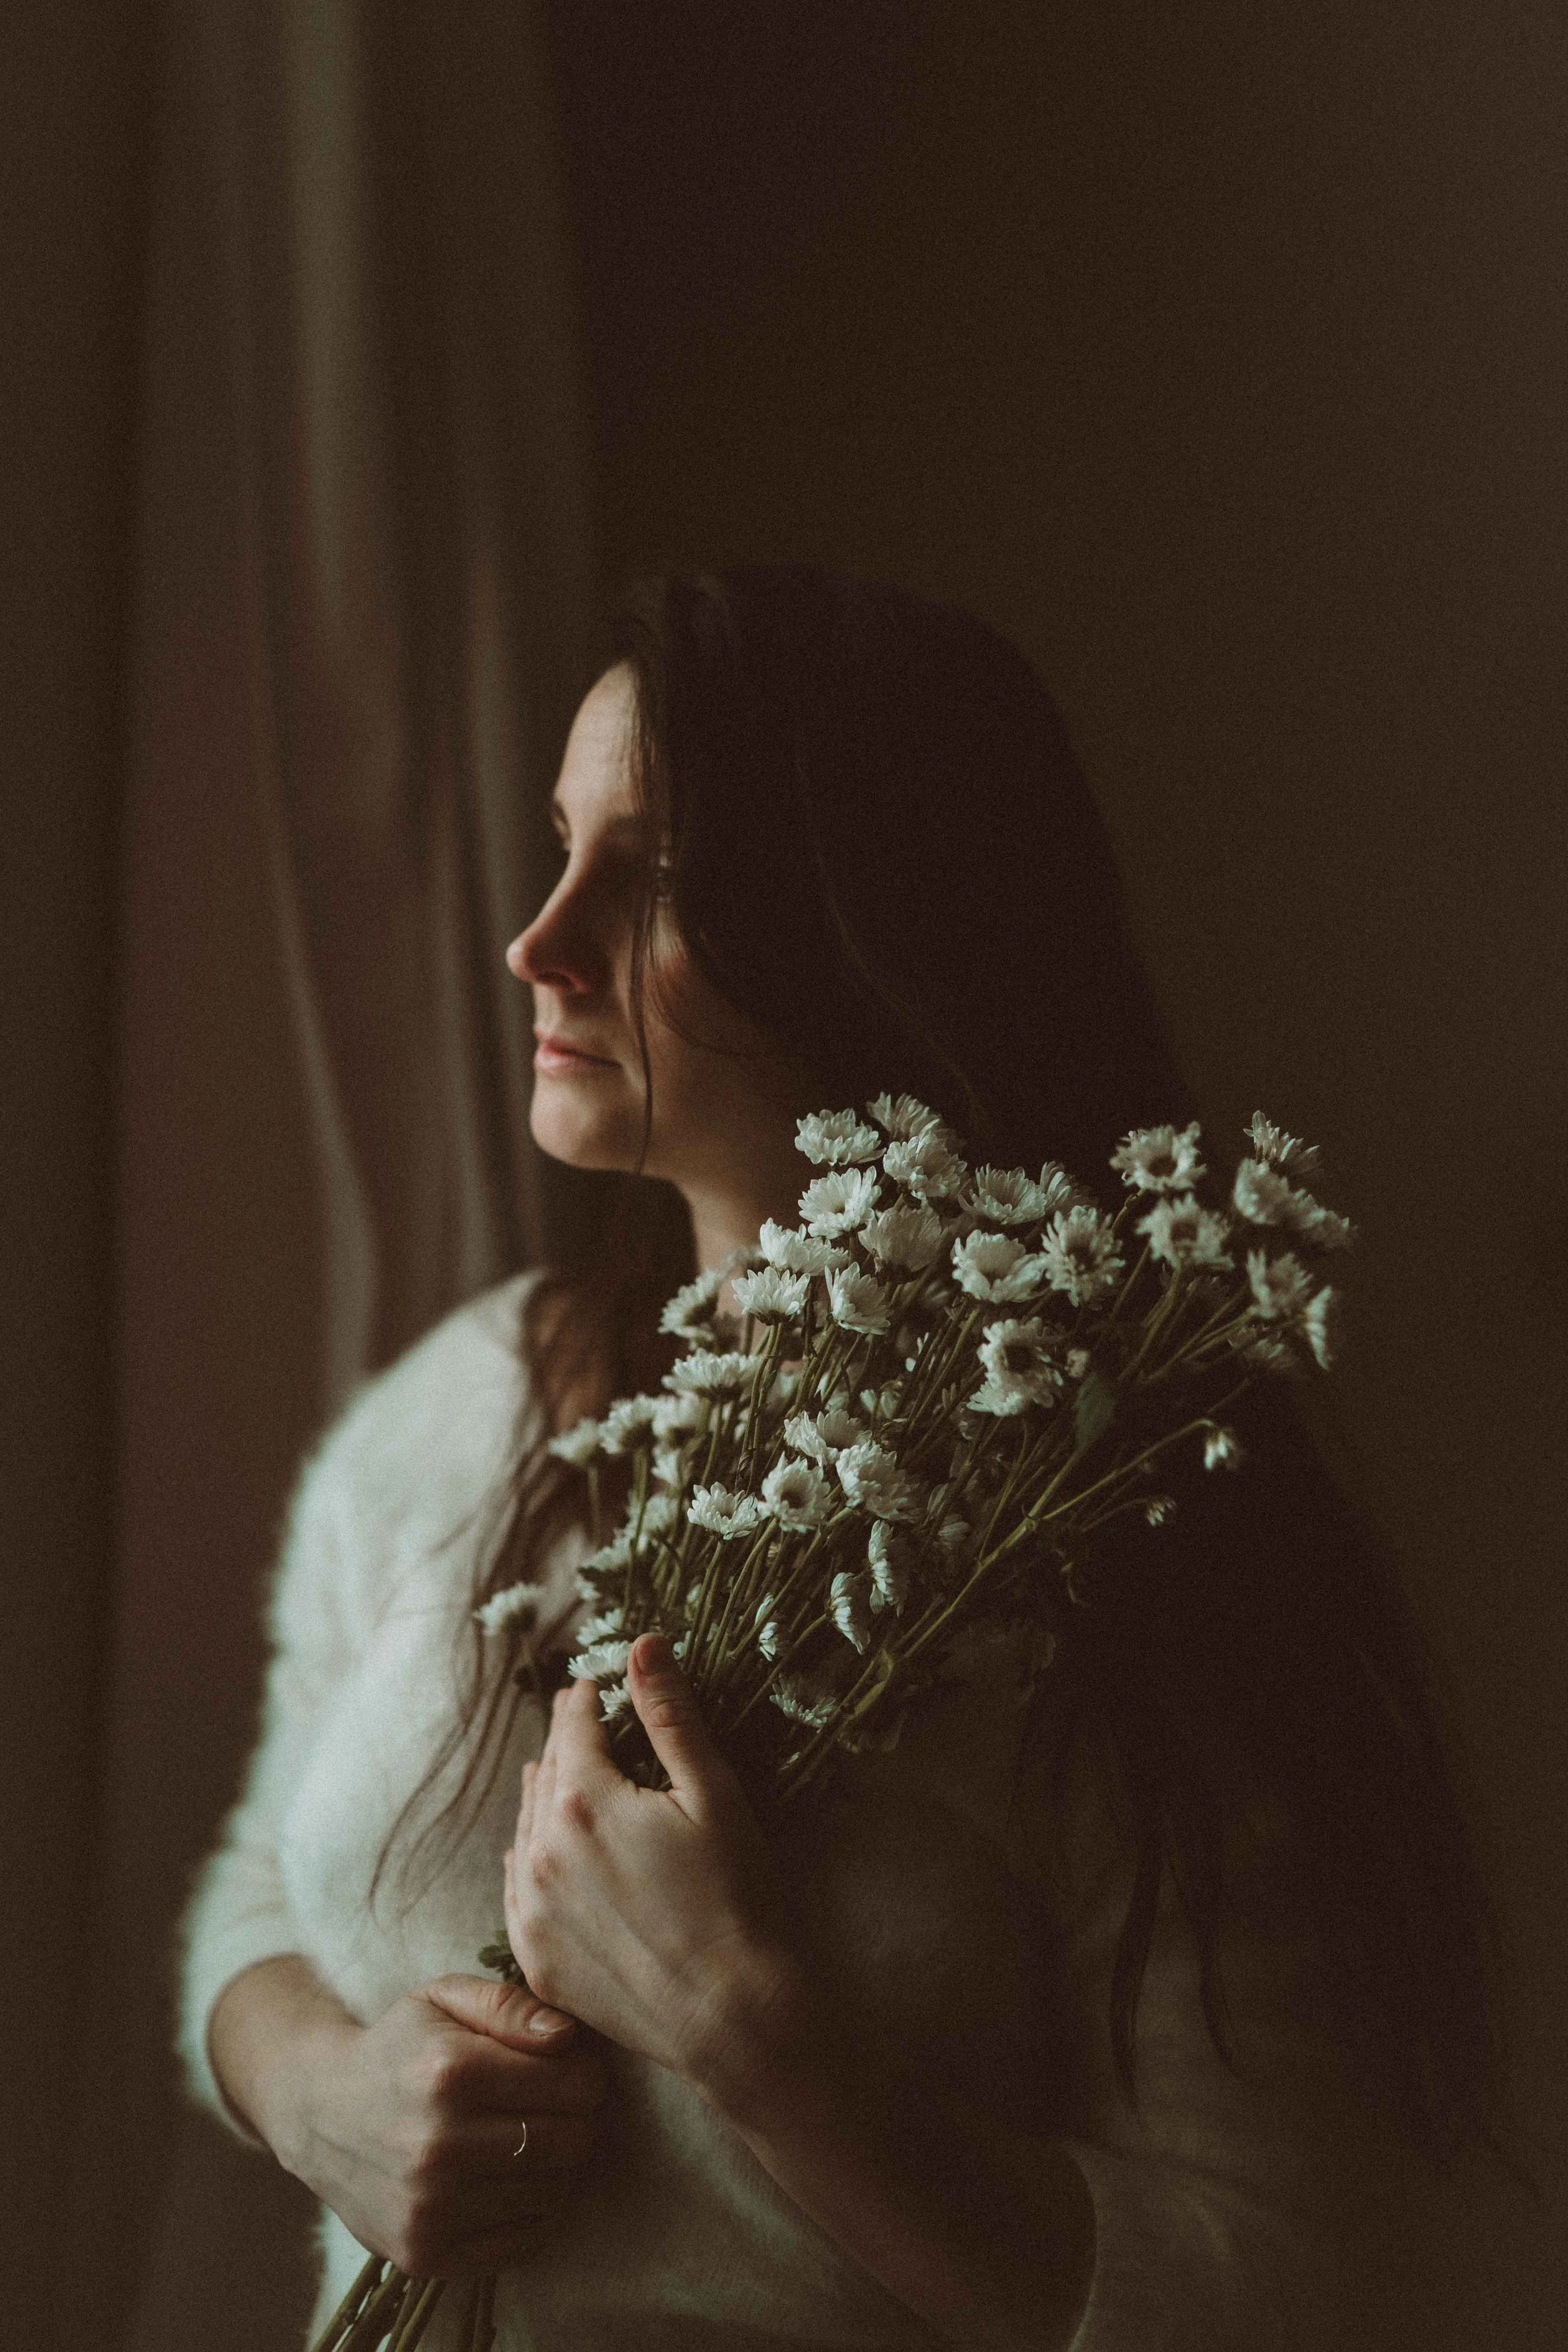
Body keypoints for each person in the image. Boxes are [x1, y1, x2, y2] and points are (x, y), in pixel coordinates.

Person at [182, 567, 1500, 2348]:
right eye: (558, 847)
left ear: (863, 921)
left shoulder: (1116, 1530)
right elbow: (257, 1880)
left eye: (645, 878)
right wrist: (319, 2091)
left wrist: (756, 2042)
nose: (537, 939)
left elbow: (1303, 2282)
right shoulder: (482, 1398)